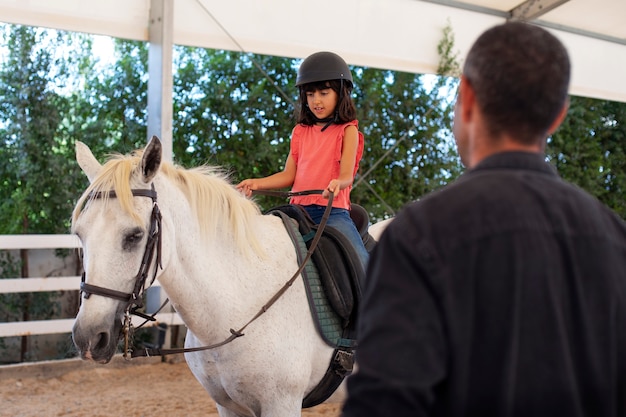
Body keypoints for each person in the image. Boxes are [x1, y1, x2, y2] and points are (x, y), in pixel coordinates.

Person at [342, 22, 626, 417]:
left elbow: (384, 404)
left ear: (469, 98)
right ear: (558, 116)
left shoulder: (420, 234)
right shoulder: (615, 237)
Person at [237, 51, 368, 266]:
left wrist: (337, 183)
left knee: (360, 262)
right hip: (297, 211)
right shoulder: (300, 131)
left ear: (341, 93)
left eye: (324, 93)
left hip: (332, 212)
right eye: (310, 95)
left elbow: (346, 176)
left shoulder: (348, 130)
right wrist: (256, 183)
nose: (316, 101)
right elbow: (289, 175)